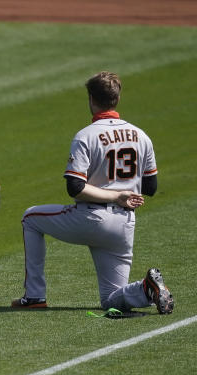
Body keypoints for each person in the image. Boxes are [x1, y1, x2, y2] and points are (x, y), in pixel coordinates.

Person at [12, 71, 173, 314]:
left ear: (91, 99)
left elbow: (74, 187)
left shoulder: (86, 135)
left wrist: (114, 194)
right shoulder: (142, 136)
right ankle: (146, 289)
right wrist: (124, 192)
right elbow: (150, 188)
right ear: (117, 99)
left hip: (90, 218)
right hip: (124, 225)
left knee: (30, 219)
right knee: (110, 301)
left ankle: (35, 295)